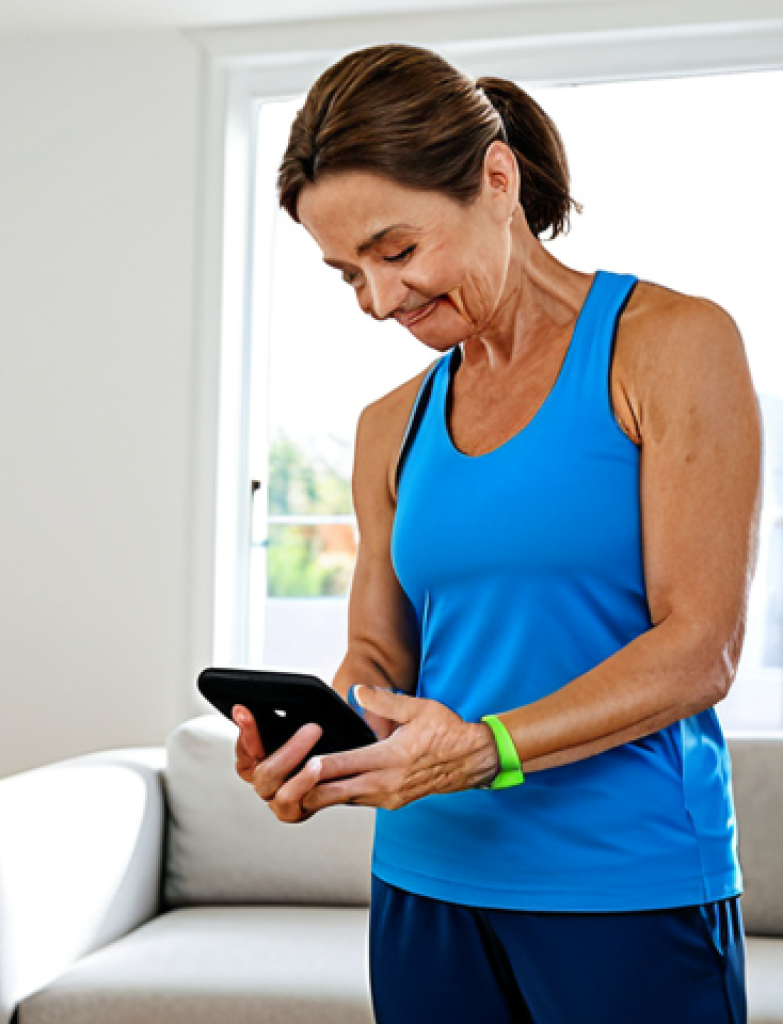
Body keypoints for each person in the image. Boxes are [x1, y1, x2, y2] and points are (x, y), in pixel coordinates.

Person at [231, 44, 762, 1024]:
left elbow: (701, 649)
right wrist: (322, 742)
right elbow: (377, 652)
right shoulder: (390, 422)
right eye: (347, 273)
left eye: (397, 251)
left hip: (626, 885)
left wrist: (484, 749)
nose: (380, 300)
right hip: (426, 880)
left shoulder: (672, 346)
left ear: (495, 178)